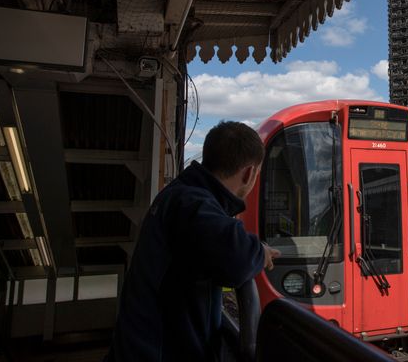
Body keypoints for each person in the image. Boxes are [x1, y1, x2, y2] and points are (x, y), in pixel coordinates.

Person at [106, 121, 280, 361]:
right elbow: (236, 258)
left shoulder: (180, 194)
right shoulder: (193, 203)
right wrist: (261, 252)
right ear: (249, 173)